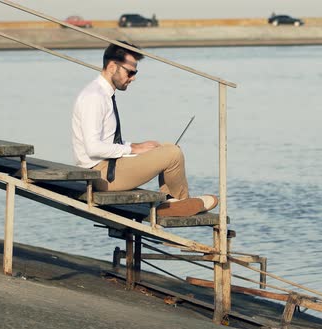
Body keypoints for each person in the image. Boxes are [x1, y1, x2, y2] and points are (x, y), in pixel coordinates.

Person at [72, 41, 217, 217]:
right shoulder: (94, 97)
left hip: (106, 168)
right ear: (112, 67)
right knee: (173, 153)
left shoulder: (102, 94)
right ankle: (179, 205)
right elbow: (93, 148)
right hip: (101, 176)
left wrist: (138, 146)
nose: (133, 78)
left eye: (135, 72)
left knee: (165, 148)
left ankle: (174, 202)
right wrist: (133, 149)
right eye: (130, 72)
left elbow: (108, 142)